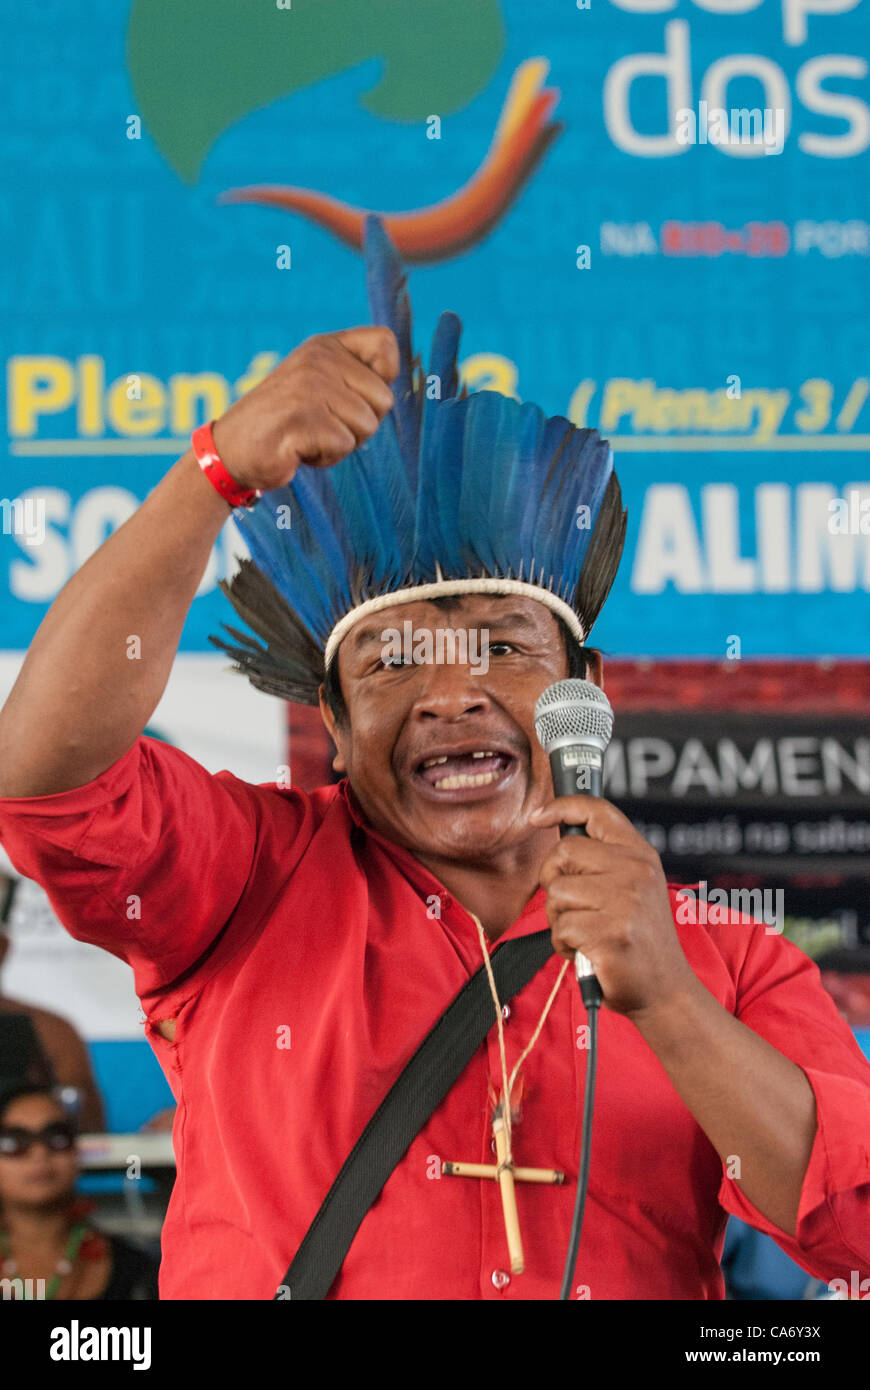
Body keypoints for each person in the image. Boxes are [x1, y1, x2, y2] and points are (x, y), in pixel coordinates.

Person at [0, 219, 868, 1300]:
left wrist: (673, 1003)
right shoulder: (241, 878)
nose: (452, 691)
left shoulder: (727, 958)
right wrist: (211, 474)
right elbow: (45, 779)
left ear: (580, 692)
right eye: (393, 660)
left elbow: (852, 1228)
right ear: (333, 718)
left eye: (503, 645)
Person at [0, 1084, 159, 1299]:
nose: (39, 1153)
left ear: (77, 1153)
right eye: (14, 1142)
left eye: (56, 1138)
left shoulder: (136, 1270)